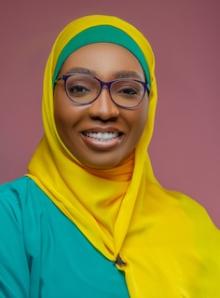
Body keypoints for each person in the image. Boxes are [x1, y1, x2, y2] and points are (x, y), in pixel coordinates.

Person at [0, 15, 219, 298]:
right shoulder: (13, 215)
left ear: (149, 105)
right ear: (50, 98)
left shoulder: (192, 223)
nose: (104, 110)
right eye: (79, 88)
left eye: (128, 91)